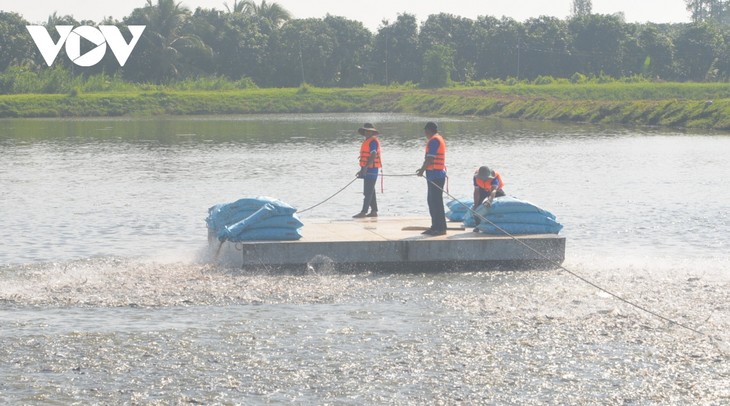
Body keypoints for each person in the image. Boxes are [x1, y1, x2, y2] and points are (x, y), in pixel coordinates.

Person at [416, 122, 447, 235]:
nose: (425, 133)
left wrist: (422, 170)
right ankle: (435, 227)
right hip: (433, 175)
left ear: (428, 130)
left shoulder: (434, 140)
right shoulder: (436, 139)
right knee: (432, 201)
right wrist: (423, 169)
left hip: (436, 175)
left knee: (436, 202)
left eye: (425, 131)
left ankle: (441, 228)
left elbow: (430, 159)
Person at [353, 123, 382, 218]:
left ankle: (363, 212)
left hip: (371, 170)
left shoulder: (373, 142)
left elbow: (373, 154)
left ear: (372, 132)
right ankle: (374, 211)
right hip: (367, 169)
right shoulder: (367, 141)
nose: (367, 132)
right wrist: (362, 169)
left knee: (368, 192)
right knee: (371, 191)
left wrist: (365, 168)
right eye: (366, 131)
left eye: (369, 131)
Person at [472, 166, 506, 230]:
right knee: (477, 208)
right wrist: (475, 205)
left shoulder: (494, 177)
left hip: (496, 191)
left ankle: (501, 224)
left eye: (486, 178)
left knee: (503, 205)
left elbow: (493, 191)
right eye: (482, 178)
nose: (484, 180)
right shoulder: (476, 178)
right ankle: (477, 226)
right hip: (482, 190)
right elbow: (476, 191)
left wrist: (489, 200)